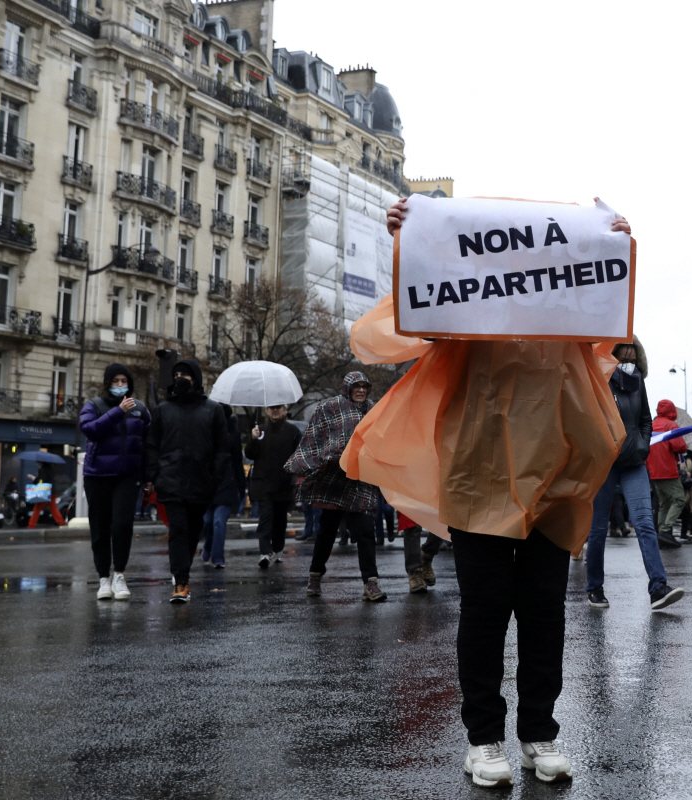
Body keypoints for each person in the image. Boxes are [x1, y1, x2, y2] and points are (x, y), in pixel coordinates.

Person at [343, 198, 636, 788]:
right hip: (479, 468)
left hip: (555, 470)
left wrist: (614, 250)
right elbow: (411, 320)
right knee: (484, 610)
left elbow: (611, 333)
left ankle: (538, 732)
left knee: (543, 609)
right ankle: (484, 738)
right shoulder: (466, 298)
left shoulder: (567, 307)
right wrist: (412, 244)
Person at [585, 339, 685, 610]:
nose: (629, 351)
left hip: (634, 463)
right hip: (605, 464)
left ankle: (658, 588)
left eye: (633, 347)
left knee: (644, 523)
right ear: (613, 350)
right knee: (597, 529)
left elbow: (645, 419)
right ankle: (594, 587)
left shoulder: (637, 380)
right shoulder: (600, 377)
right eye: (624, 346)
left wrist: (641, 444)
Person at [286, 372, 384, 600]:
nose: (361, 390)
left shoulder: (374, 409)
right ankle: (315, 577)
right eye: (356, 386)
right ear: (347, 388)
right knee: (327, 532)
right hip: (334, 479)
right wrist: (321, 458)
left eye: (364, 386)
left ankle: (371, 584)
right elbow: (314, 436)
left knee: (366, 531)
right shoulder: (329, 408)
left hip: (361, 478)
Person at [145, 359, 229, 603]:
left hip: (201, 481)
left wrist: (215, 477)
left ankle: (183, 572)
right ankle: (180, 582)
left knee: (193, 530)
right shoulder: (162, 410)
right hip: (170, 481)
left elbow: (222, 449)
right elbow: (151, 446)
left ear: (196, 379)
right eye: (177, 373)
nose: (181, 378)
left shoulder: (212, 410)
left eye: (186, 374)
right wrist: (155, 475)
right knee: (178, 530)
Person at [80, 364, 150, 601]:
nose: (120, 385)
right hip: (97, 475)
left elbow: (148, 444)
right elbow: (91, 430)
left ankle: (119, 575)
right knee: (100, 528)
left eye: (124, 381)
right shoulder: (93, 406)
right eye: (116, 381)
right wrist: (118, 411)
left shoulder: (140, 409)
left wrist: (149, 477)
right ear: (107, 383)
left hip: (127, 476)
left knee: (122, 525)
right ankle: (103, 578)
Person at [246, 404, 302, 568]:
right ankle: (264, 552)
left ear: (284, 410)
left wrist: (293, 477)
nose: (275, 410)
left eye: (278, 407)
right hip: (263, 483)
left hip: (283, 484)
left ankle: (278, 549)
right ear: (267, 411)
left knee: (279, 520)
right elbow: (250, 454)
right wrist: (253, 439)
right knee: (265, 518)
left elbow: (298, 455)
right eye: (271, 408)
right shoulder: (260, 430)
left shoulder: (293, 431)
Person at [200, 406, 244, 569]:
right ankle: (208, 547)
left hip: (227, 483)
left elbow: (238, 461)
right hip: (208, 483)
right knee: (207, 521)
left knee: (219, 522)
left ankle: (218, 557)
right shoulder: (205, 431)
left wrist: (241, 486)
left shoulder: (233, 434)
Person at [646, 399, 688, 547]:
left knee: (664, 503)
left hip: (653, 470)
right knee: (679, 499)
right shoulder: (670, 425)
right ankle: (665, 530)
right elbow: (680, 446)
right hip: (667, 470)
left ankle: (661, 533)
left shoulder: (651, 425)